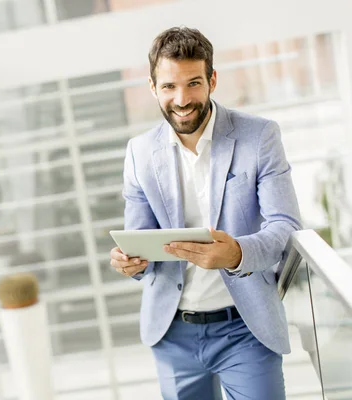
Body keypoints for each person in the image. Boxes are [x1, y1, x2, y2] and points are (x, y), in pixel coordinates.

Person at [109, 27, 302, 400]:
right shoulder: (139, 152)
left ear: (212, 79)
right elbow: (141, 241)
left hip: (244, 327)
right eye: (169, 87)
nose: (182, 99)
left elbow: (286, 226)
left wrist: (238, 253)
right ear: (152, 87)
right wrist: (131, 262)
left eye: (193, 83)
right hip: (173, 333)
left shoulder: (259, 136)